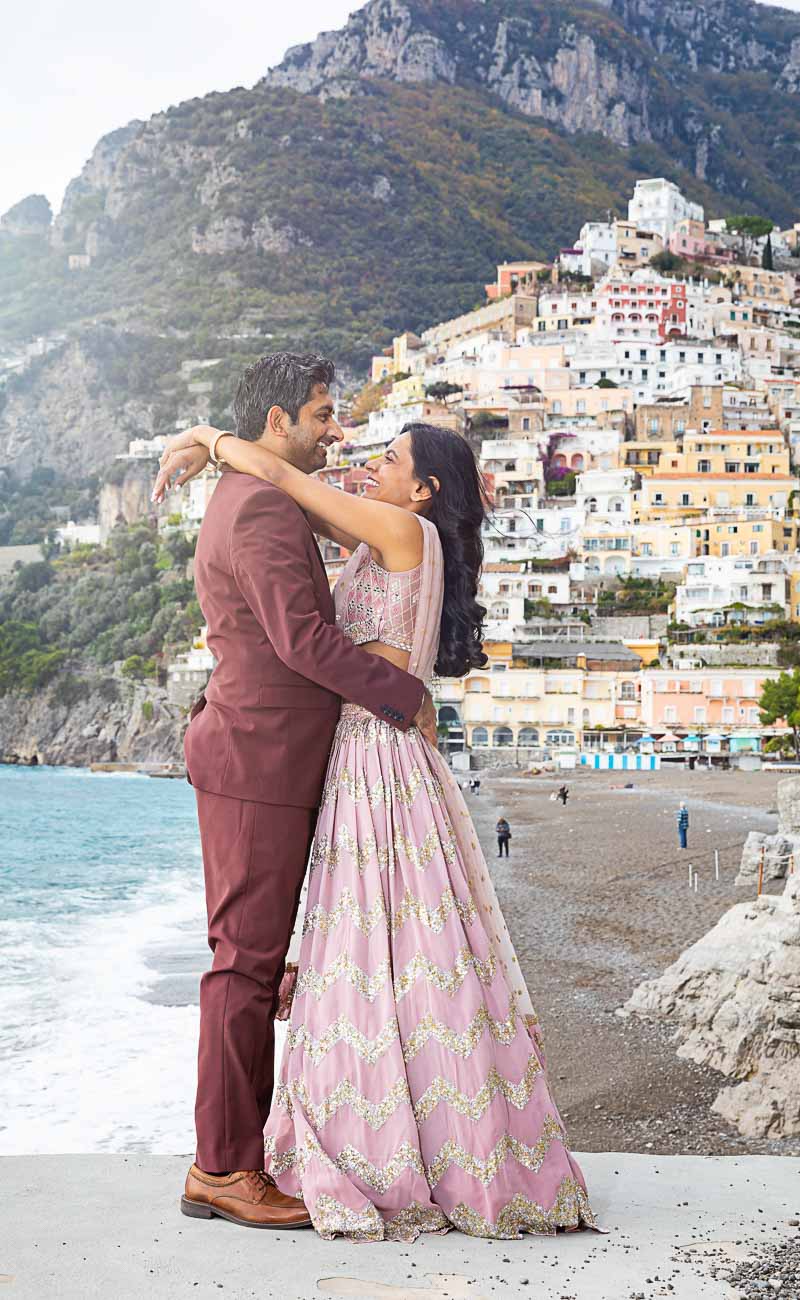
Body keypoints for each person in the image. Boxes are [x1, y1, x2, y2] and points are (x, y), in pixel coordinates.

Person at [154, 406, 598, 1243]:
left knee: (375, 954)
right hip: (366, 753)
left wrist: (206, 441)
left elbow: (286, 481)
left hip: (374, 756)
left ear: (423, 490)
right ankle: (412, 1140)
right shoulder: (390, 535)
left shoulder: (400, 529)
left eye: (390, 459)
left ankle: (383, 1144)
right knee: (390, 956)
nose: (372, 463)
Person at [152, 353, 436, 1231]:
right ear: (277, 422)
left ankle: (243, 1153)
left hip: (261, 753)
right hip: (258, 759)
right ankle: (223, 1169)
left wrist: (210, 438)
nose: (334, 430)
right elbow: (304, 641)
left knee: (255, 963)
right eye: (320, 415)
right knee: (244, 965)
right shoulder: (267, 508)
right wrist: (407, 698)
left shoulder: (250, 493)